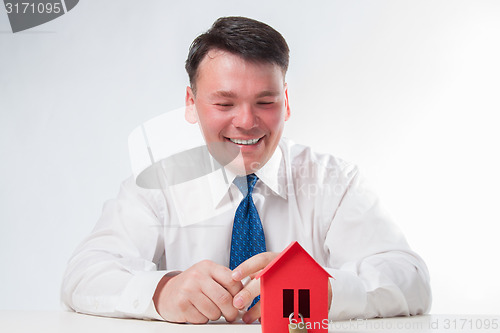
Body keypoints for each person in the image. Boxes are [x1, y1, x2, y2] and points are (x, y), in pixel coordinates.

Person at [61, 16, 431, 324]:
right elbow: (83, 275)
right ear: (191, 104)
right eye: (224, 102)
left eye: (265, 102)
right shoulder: (156, 186)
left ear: (285, 101)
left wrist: (326, 289)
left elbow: (411, 280)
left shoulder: (334, 182)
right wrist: (161, 291)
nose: (246, 121)